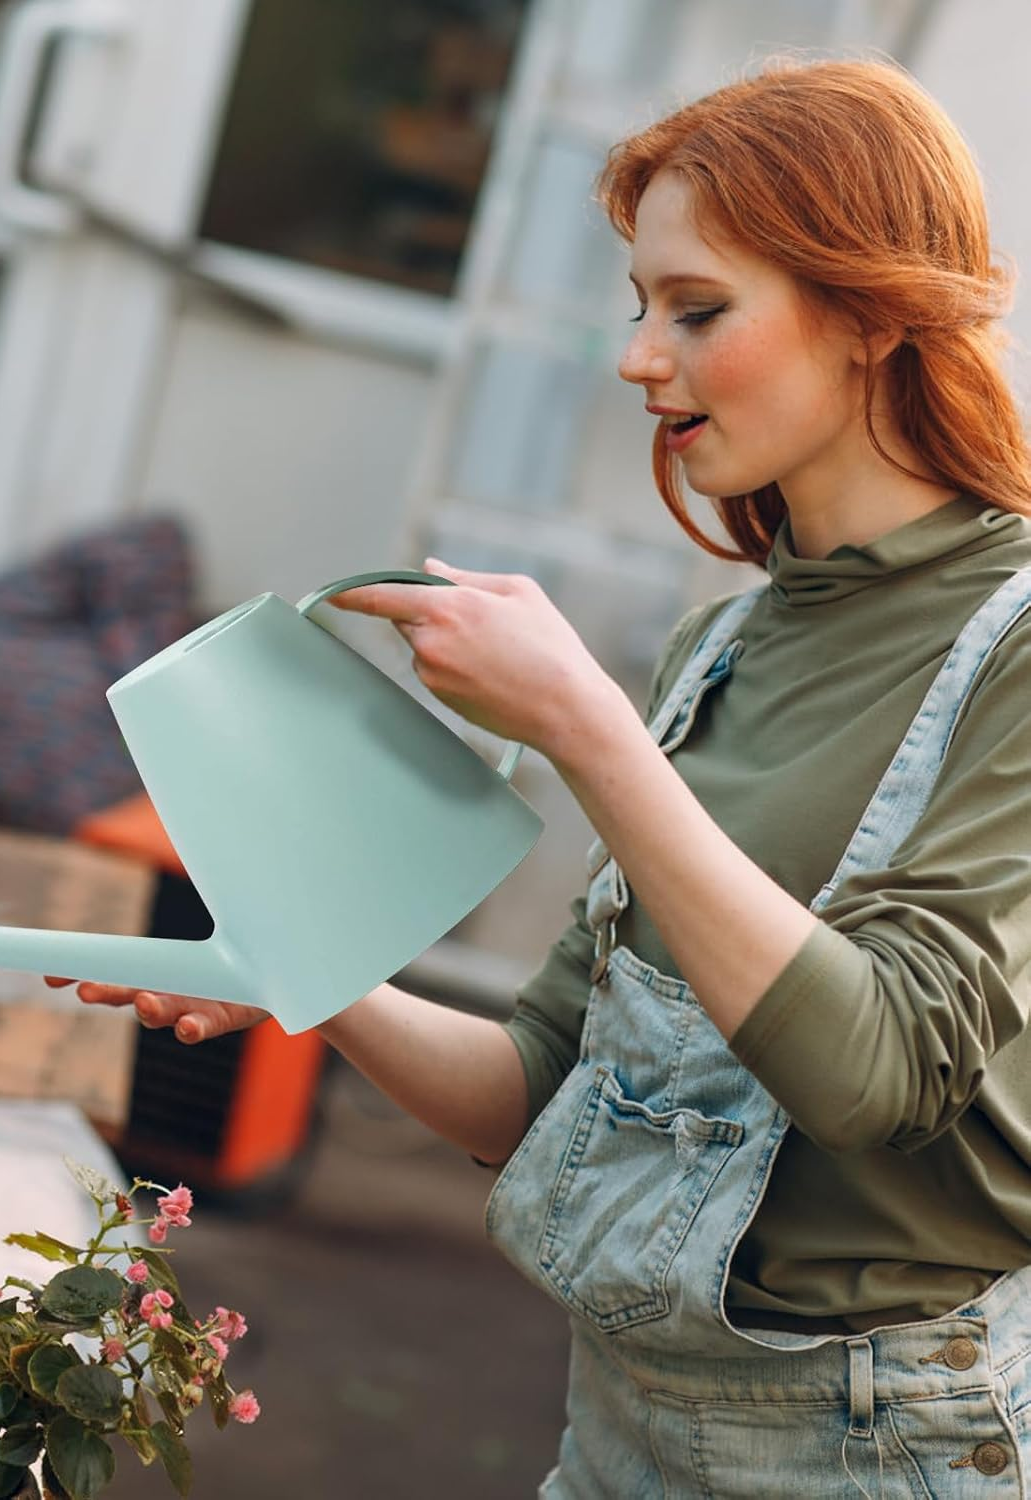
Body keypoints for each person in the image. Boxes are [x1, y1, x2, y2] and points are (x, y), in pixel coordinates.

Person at [51, 57, 1031, 1496]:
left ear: (872, 313)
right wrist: (308, 978)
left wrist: (588, 730)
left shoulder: (1011, 644)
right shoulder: (727, 641)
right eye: (641, 309)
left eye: (699, 310)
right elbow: (542, 1089)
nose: (641, 357)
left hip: (876, 1446)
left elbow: (875, 1073)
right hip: (621, 1424)